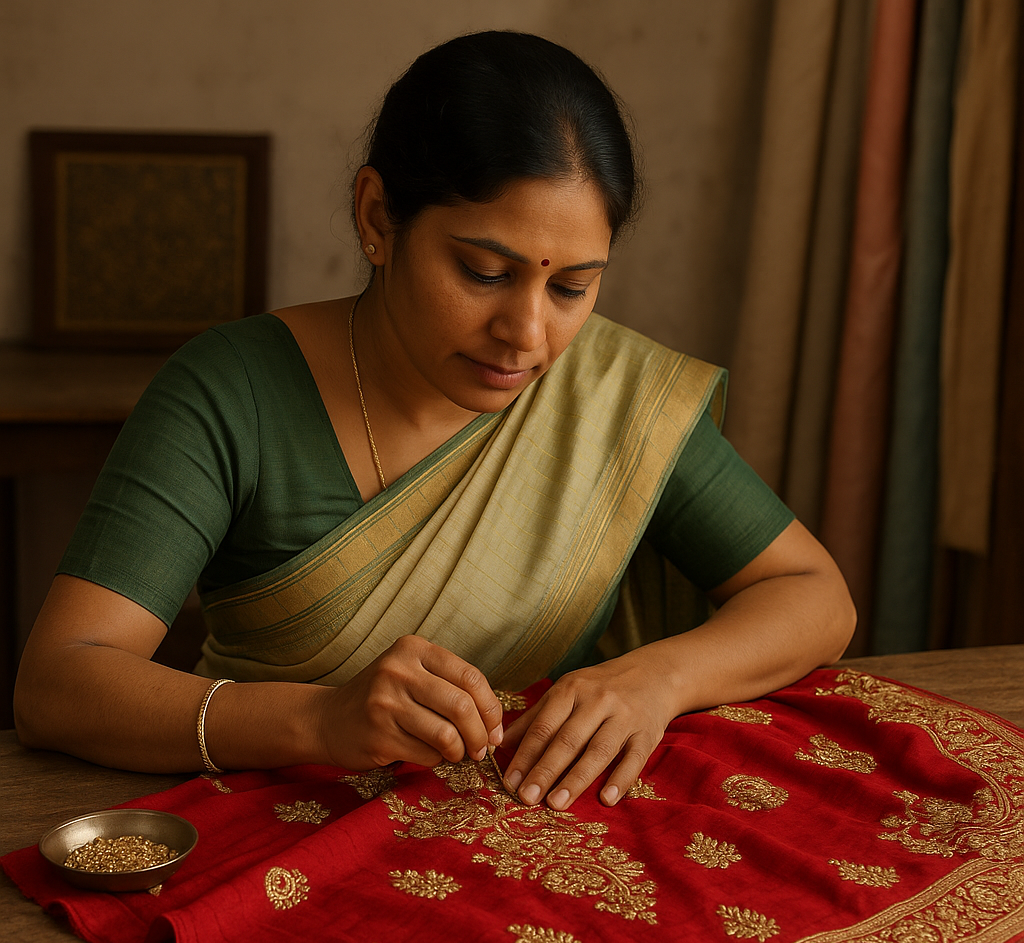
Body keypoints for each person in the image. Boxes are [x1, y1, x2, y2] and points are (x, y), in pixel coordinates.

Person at [13, 30, 855, 812]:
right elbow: (59, 683)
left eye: (571, 289)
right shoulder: (233, 391)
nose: (529, 335)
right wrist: (318, 722)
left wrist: (656, 680)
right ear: (379, 218)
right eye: (485, 272)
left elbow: (815, 598)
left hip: (530, 840)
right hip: (270, 827)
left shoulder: (612, 400)